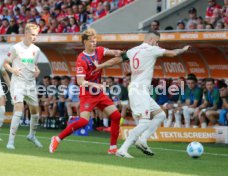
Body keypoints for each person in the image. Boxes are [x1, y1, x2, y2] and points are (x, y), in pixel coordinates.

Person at [94, 30, 190, 158]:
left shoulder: (132, 50)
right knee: (144, 122)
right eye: (157, 41)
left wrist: (100, 66)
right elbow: (172, 53)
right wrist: (183, 50)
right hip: (139, 90)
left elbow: (115, 60)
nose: (157, 44)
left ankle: (143, 140)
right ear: (152, 40)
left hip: (139, 90)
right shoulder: (152, 49)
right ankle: (123, 149)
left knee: (160, 115)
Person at [49, 28, 123, 154]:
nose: (94, 43)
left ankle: (112, 148)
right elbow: (80, 81)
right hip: (87, 93)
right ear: (85, 42)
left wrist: (118, 52)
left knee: (116, 116)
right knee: (84, 121)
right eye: (91, 41)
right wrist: (95, 85)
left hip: (98, 93)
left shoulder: (99, 51)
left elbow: (112, 52)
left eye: (95, 41)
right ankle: (57, 138)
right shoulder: (81, 59)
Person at [4, 23, 43, 149]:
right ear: (26, 34)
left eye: (36, 35)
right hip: (18, 83)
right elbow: (6, 64)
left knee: (35, 113)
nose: (34, 37)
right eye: (32, 35)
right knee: (19, 111)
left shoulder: (36, 50)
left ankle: (31, 135)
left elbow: (34, 66)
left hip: (30, 84)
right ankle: (10, 141)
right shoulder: (15, 48)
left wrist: (37, 71)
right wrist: (13, 71)